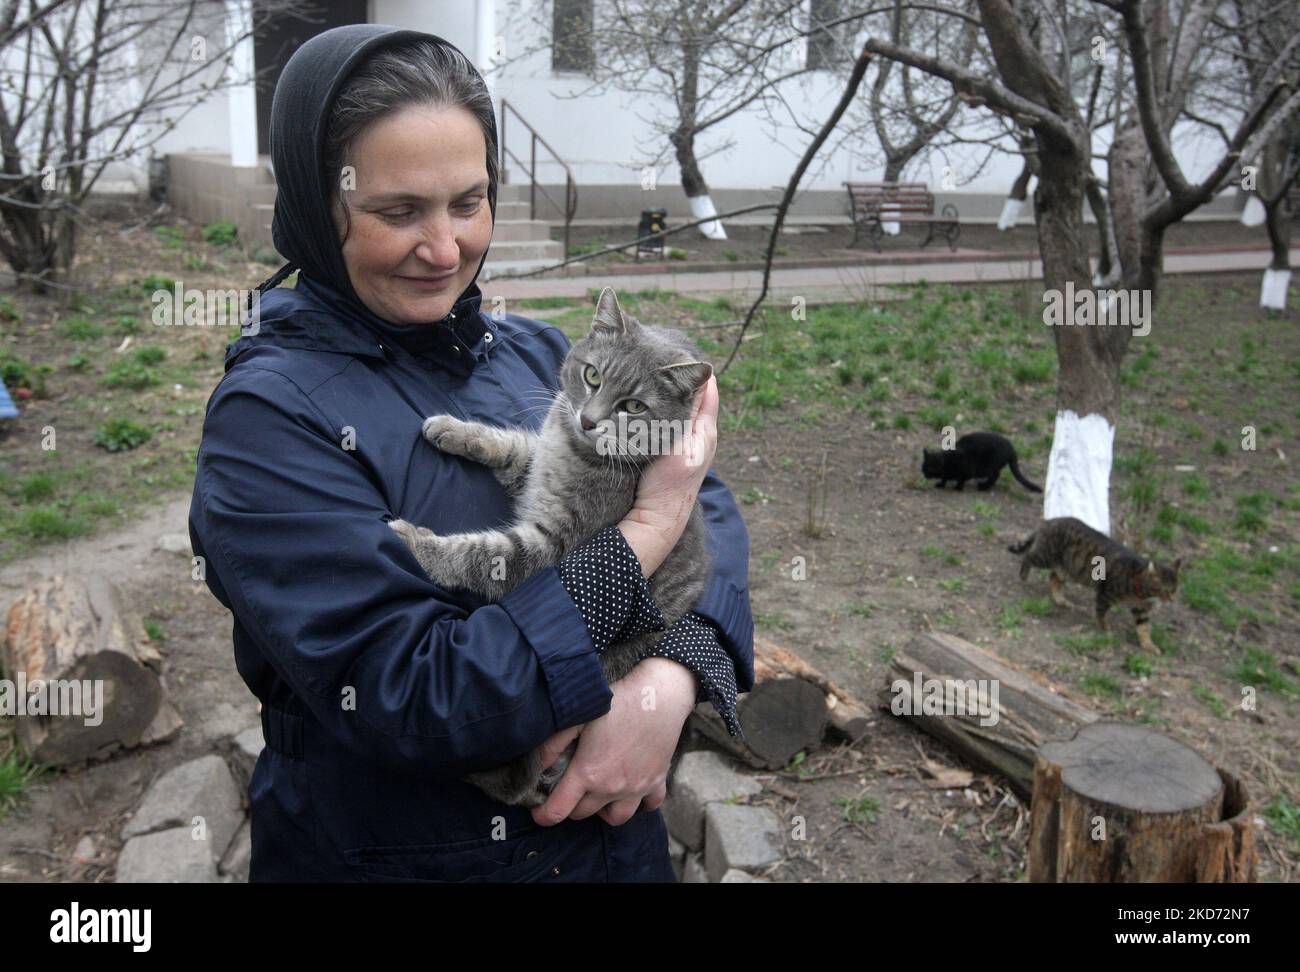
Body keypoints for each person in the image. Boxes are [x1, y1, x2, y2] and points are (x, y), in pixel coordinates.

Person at [187, 24, 754, 882]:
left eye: (468, 201)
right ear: (316, 199)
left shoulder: (534, 353)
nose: (446, 249)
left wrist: (671, 680)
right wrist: (650, 527)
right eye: (399, 211)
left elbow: (707, 509)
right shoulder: (267, 422)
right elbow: (414, 696)